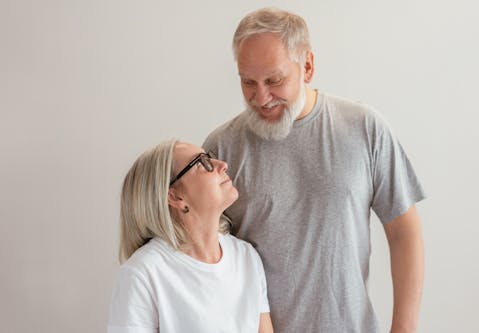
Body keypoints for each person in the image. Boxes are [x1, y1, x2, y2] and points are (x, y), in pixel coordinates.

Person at [203, 7, 425, 333]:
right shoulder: (222, 148)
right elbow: (203, 255)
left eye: (274, 80)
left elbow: (405, 232)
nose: (260, 97)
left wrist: (404, 328)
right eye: (248, 82)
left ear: (307, 66)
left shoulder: (364, 128)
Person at [107, 139, 274, 333]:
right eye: (201, 162)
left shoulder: (246, 257)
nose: (222, 165)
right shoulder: (143, 273)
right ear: (175, 197)